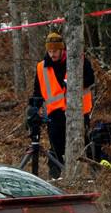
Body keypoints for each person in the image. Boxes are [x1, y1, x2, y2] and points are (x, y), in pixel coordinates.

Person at [28, 32, 94, 179]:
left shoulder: (78, 60)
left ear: (62, 49)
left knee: (85, 144)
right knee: (56, 148)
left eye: (55, 51)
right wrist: (34, 108)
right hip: (55, 114)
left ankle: (93, 175)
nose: (52, 54)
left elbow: (90, 80)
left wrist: (74, 83)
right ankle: (55, 178)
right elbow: (37, 92)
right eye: (49, 51)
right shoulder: (41, 68)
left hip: (79, 112)